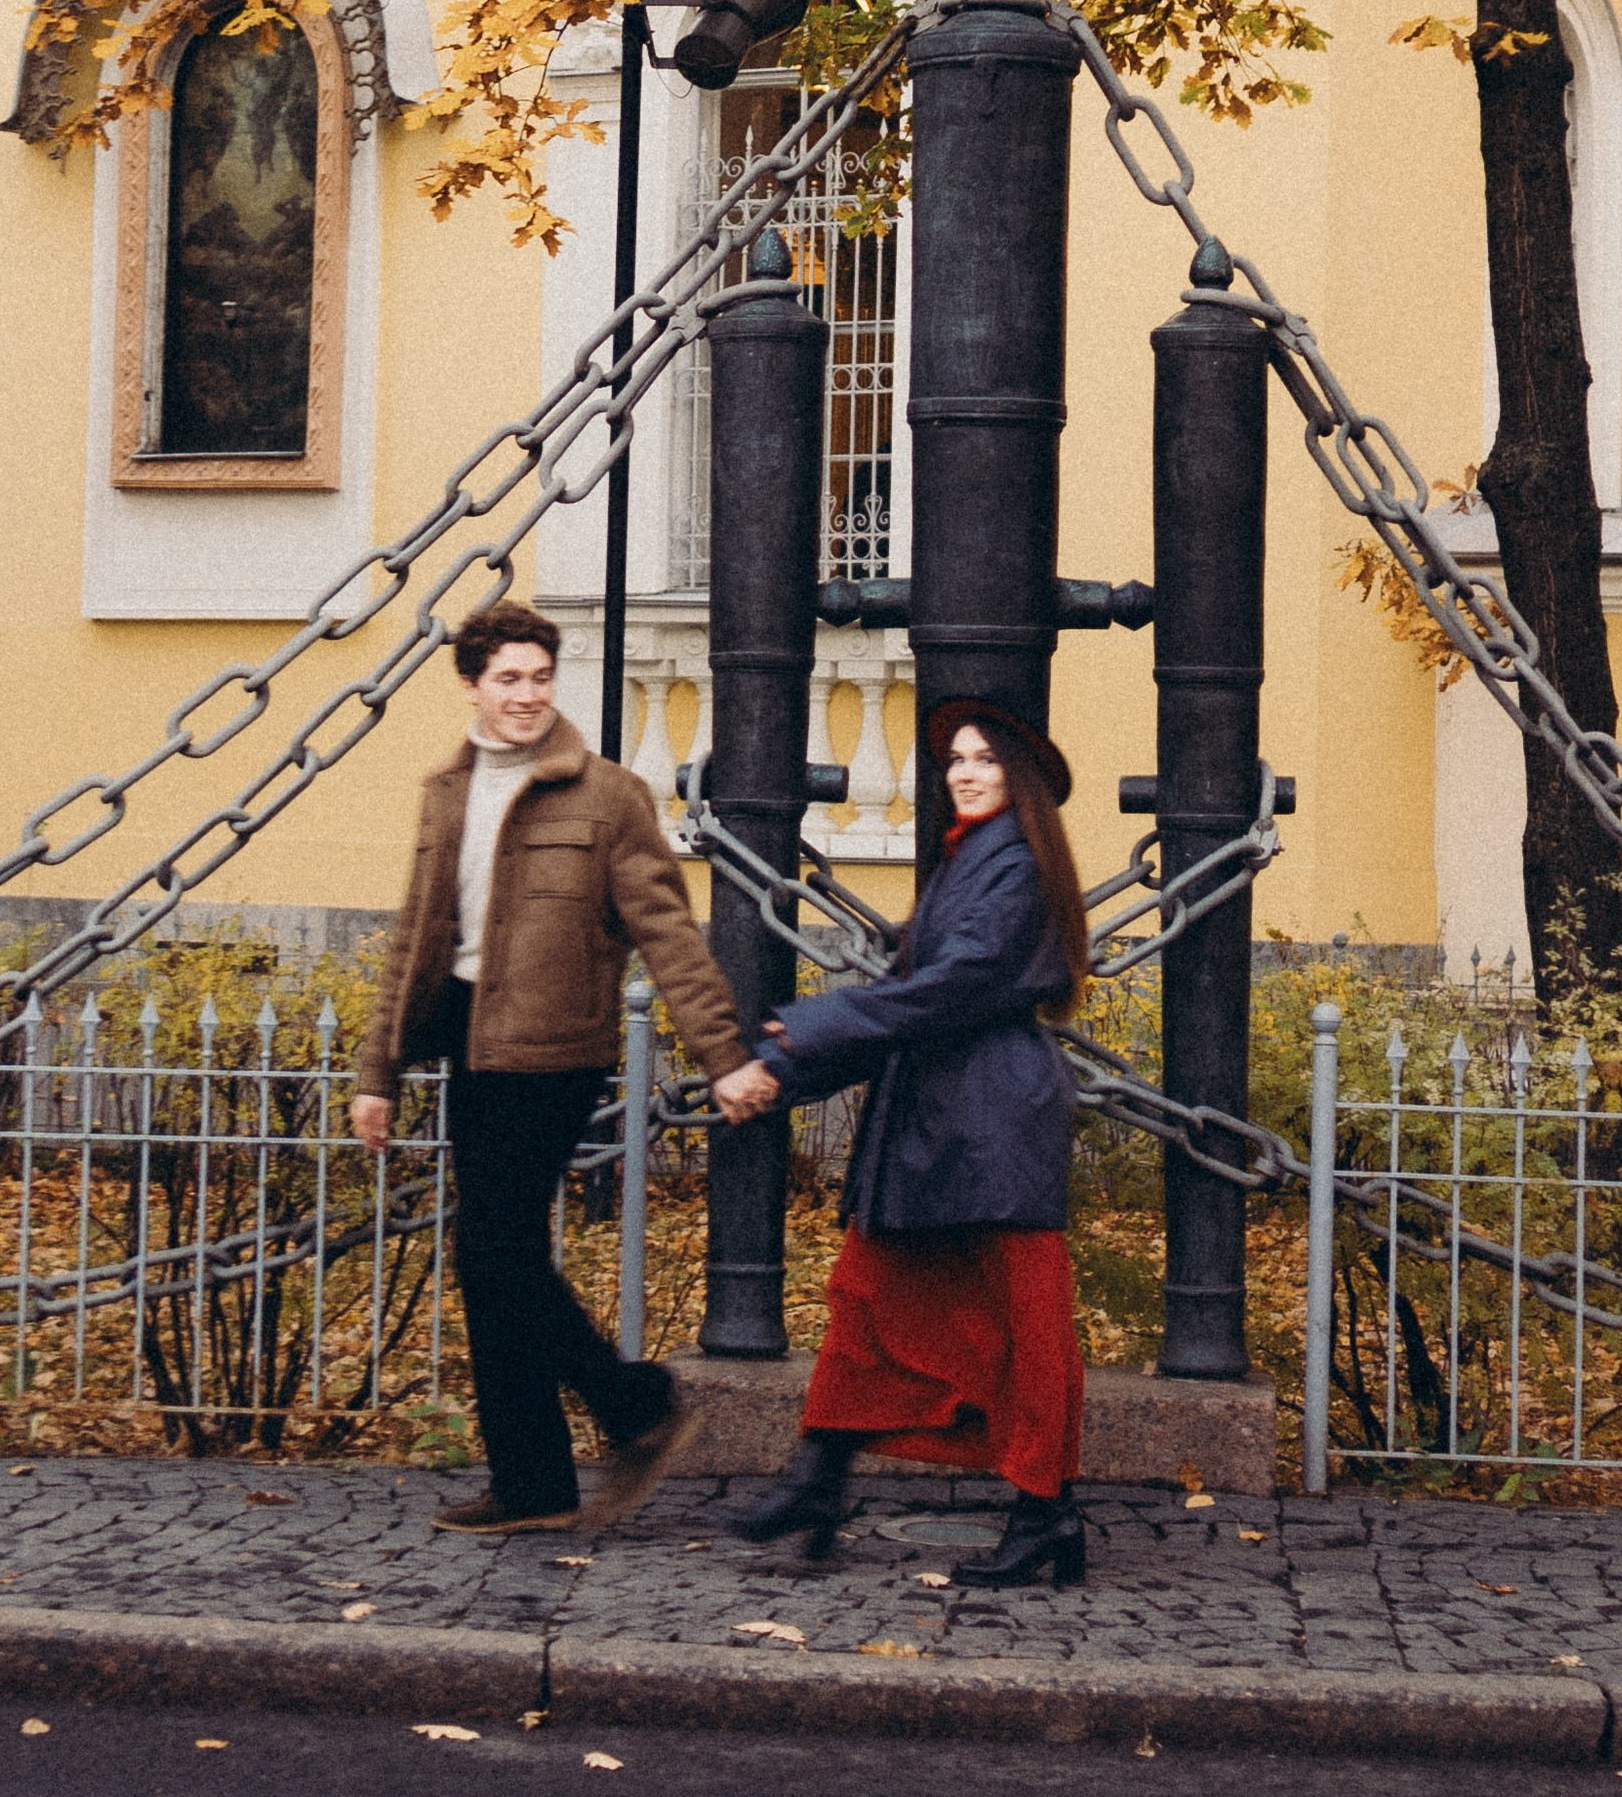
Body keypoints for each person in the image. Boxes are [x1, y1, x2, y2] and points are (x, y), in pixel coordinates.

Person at [354, 602, 780, 1536]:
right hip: (470, 1038)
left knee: (494, 1253)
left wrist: (723, 1057)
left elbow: (667, 930)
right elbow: (414, 944)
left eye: (540, 677)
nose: (527, 695)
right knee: (491, 1263)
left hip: (555, 1050)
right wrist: (376, 1072)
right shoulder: (444, 794)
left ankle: (633, 1406)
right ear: (472, 684)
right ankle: (536, 1477)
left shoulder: (606, 796)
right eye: (508, 678)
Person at [726, 700, 1092, 1588]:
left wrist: (799, 1042)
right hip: (940, 1116)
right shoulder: (973, 861)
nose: (964, 773)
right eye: (956, 762)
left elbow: (946, 991)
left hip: (994, 1120)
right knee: (870, 1302)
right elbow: (907, 997)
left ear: (1021, 779)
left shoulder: (1014, 864)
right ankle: (818, 1480)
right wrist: (783, 1067)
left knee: (1027, 1329)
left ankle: (1047, 1513)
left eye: (984, 761)